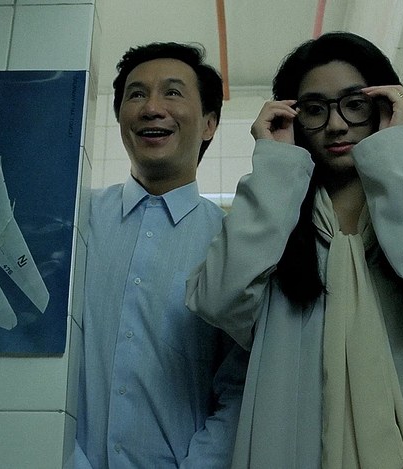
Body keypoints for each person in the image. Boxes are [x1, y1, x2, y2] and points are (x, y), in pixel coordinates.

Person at [186, 32, 403, 469]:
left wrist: (397, 152)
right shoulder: (274, 227)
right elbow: (218, 299)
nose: (336, 125)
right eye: (314, 110)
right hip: (299, 447)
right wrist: (274, 166)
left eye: (355, 104)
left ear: (386, 107)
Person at [75, 42, 248, 468]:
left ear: (209, 124)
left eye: (172, 92)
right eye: (136, 94)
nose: (152, 108)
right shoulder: (77, 218)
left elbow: (240, 384)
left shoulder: (231, 242)